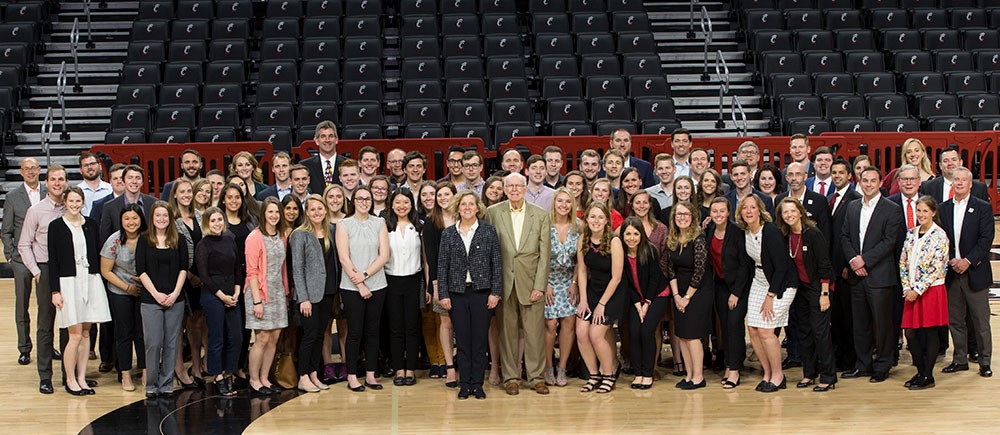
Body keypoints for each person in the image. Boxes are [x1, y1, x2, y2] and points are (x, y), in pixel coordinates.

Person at [486, 172, 552, 396]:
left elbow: (545, 254)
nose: (514, 189)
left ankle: (536, 378)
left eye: (518, 186)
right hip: (503, 283)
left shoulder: (540, 215)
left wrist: (540, 286)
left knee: (534, 333)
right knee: (507, 333)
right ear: (504, 190)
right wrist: (494, 286)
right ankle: (511, 377)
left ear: (525, 189)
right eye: (510, 186)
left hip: (531, 282)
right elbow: (489, 251)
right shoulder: (493, 213)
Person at [437, 190, 503, 400]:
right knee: (463, 341)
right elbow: (442, 266)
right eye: (463, 204)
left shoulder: (488, 231)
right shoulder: (448, 233)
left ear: (477, 208)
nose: (467, 208)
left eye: (471, 204)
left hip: (482, 293)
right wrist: (443, 294)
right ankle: (465, 384)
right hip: (456, 293)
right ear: (458, 208)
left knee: (479, 341)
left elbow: (496, 263)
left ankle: (478, 384)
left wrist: (495, 292)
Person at [840, 167, 902, 383]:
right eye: (864, 180)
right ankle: (862, 365)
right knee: (860, 324)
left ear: (880, 183)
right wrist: (853, 260)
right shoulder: (853, 206)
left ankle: (883, 366)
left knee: (882, 325)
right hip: (857, 276)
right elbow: (844, 236)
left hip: (880, 275)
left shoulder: (892, 209)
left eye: (872, 181)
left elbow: (889, 241)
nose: (868, 184)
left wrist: (864, 260)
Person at [48, 186, 111, 395]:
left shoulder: (91, 224)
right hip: (68, 282)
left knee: (85, 333)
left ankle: (82, 378)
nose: (75, 205)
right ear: (65, 202)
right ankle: (70, 379)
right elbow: (53, 261)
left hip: (90, 280)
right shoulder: (56, 226)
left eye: (78, 201)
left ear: (83, 202)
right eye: (71, 201)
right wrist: (55, 291)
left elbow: (96, 253)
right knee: (74, 335)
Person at [775, 197, 836, 392]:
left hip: (819, 288)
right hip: (800, 290)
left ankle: (828, 376)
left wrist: (824, 293)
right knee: (804, 333)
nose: (789, 215)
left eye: (793, 211)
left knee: (820, 333)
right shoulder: (785, 235)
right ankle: (809, 373)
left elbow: (825, 265)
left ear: (800, 212)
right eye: (785, 212)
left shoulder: (813, 233)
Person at [17, 164, 68, 394]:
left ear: (66, 182)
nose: (57, 183)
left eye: (61, 179)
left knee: (68, 325)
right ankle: (45, 376)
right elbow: (24, 244)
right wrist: (36, 271)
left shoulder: (72, 207)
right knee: (46, 325)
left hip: (68, 271)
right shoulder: (36, 210)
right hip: (45, 270)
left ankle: (69, 374)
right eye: (53, 179)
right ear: (46, 183)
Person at [739, 194, 798, 393]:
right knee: (753, 329)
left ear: (760, 210)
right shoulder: (746, 231)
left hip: (781, 284)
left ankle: (778, 376)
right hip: (760, 280)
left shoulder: (770, 231)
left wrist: (770, 296)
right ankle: (767, 372)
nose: (748, 211)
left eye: (752, 207)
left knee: (766, 330)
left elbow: (781, 267)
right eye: (745, 207)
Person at [939, 168, 994, 378]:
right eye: (956, 180)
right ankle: (960, 359)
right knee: (955, 321)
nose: (960, 183)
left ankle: (985, 362)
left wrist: (968, 261)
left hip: (975, 273)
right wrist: (951, 260)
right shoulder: (943, 208)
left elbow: (986, 239)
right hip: (952, 273)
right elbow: (941, 239)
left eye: (964, 180)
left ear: (971, 184)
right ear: (952, 183)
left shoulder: (983, 208)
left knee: (980, 322)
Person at [335, 186, 391, 392]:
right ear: (353, 201)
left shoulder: (379, 223)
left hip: (377, 285)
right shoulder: (344, 225)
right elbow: (344, 258)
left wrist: (365, 275)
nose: (364, 202)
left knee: (373, 332)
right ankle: (352, 376)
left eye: (367, 199)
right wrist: (359, 284)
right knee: (355, 332)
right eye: (360, 198)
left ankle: (370, 374)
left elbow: (384, 255)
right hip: (351, 287)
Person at [136, 201, 189, 398]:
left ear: (170, 218)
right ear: (152, 218)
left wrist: (175, 293)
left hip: (175, 299)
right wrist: (156, 294)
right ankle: (151, 384)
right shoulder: (144, 240)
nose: (161, 219)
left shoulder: (179, 239)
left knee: (171, 343)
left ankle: (166, 384)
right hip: (151, 300)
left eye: (165, 215)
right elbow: (141, 270)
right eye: (157, 215)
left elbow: (184, 268)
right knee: (153, 343)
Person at [899, 196, 950, 390]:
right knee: (910, 333)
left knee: (930, 332)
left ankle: (928, 375)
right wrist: (906, 287)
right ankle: (920, 371)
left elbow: (937, 266)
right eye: (918, 210)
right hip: (911, 290)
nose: (921, 214)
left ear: (933, 213)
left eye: (925, 211)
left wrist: (918, 289)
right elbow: (903, 261)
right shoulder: (911, 233)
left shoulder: (940, 235)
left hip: (931, 290)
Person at [575, 203, 625, 394]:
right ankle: (594, 374)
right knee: (581, 332)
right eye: (592, 217)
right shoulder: (583, 239)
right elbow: (582, 270)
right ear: (586, 219)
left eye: (600, 217)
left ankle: (609, 374)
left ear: (606, 221)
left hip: (613, 292)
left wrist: (602, 304)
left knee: (596, 334)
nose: (596, 221)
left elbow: (617, 277)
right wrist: (583, 300)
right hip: (592, 290)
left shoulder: (614, 241)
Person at [290, 195, 338, 392]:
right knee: (309, 335)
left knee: (320, 335)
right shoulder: (300, 234)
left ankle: (313, 374)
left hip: (328, 291)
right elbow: (297, 269)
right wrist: (303, 298)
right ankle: (302, 376)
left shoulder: (331, 230)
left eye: (320, 208)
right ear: (307, 213)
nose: (317, 212)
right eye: (312, 209)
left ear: (325, 210)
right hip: (309, 295)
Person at [664, 201, 712, 390]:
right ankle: (689, 374)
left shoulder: (698, 238)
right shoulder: (673, 238)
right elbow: (671, 269)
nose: (682, 217)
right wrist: (676, 296)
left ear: (692, 217)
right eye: (678, 214)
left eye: (685, 214)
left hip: (698, 291)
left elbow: (700, 270)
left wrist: (687, 297)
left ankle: (698, 377)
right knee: (682, 335)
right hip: (680, 291)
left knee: (692, 336)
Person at [244, 197, 290, 396]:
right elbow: (252, 272)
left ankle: (265, 378)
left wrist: (285, 292)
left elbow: (282, 267)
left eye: (277, 212)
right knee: (262, 337)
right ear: (263, 214)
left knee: (274, 338)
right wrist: (257, 301)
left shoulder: (281, 235)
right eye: (270, 212)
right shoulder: (254, 237)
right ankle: (254, 380)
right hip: (259, 293)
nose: (274, 215)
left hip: (278, 292)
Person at [195, 206, 243, 397]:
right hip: (213, 295)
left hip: (232, 293)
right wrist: (222, 296)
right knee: (217, 337)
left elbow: (238, 268)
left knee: (237, 337)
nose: (217, 223)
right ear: (207, 223)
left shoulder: (229, 240)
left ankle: (229, 372)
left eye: (219, 219)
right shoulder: (203, 245)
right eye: (213, 220)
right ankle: (218, 376)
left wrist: (237, 291)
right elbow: (204, 276)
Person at [2, 157, 45, 366]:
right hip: (21, 260)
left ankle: (47, 346)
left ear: (39, 170)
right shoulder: (12, 197)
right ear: (21, 172)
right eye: (26, 169)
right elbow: (6, 230)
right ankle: (24, 348)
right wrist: (10, 255)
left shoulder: (49, 192)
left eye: (33, 168)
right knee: (22, 305)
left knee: (47, 306)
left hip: (44, 258)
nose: (30, 172)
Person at [100, 204, 147, 392]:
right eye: (127, 218)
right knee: (124, 333)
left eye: (135, 218)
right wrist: (128, 287)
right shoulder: (114, 241)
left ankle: (145, 371)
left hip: (145, 291)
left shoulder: (148, 238)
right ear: (121, 221)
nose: (131, 222)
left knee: (143, 333)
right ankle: (125, 373)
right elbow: (106, 271)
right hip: (120, 291)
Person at [620, 217, 670, 389]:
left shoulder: (650, 251)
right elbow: (626, 282)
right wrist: (637, 304)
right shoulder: (621, 254)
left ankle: (648, 373)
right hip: (636, 298)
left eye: (635, 234)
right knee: (634, 331)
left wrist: (646, 303)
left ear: (641, 235)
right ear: (622, 235)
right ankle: (638, 373)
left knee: (647, 330)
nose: (631, 238)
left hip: (656, 294)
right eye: (628, 234)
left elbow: (654, 279)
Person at [705, 197, 749, 389]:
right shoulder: (710, 230)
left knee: (734, 325)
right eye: (714, 211)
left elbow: (745, 265)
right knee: (724, 326)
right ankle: (730, 364)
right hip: (720, 285)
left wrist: (736, 293)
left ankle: (735, 369)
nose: (718, 215)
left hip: (738, 286)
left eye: (722, 211)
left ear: (729, 212)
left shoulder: (737, 232)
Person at [384, 189, 424, 386]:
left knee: (412, 327)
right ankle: (399, 368)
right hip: (391, 280)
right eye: (398, 202)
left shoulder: (419, 226)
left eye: (406, 202)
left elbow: (425, 258)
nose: (402, 206)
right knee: (395, 327)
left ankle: (411, 369)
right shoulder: (384, 226)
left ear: (412, 204)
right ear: (391, 205)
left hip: (413, 280)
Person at [422, 182, 461, 386]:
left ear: (455, 195)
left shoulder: (464, 218)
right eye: (440, 195)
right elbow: (431, 257)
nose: (443, 198)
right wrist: (435, 286)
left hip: (464, 281)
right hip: (442, 281)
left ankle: (462, 362)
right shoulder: (431, 222)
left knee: (463, 325)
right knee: (446, 324)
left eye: (447, 194)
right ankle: (449, 366)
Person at [167, 179, 204, 388]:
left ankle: (197, 367)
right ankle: (179, 369)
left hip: (202, 278)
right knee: (179, 325)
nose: (186, 195)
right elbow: (173, 252)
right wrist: (189, 275)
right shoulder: (170, 219)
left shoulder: (199, 215)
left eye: (189, 191)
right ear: (175, 194)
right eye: (182, 192)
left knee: (196, 325)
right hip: (182, 278)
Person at [544, 188, 579, 387]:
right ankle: (549, 366)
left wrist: (575, 282)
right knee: (550, 324)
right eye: (560, 201)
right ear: (554, 203)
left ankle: (562, 367)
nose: (563, 205)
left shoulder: (579, 226)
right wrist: (545, 283)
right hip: (548, 280)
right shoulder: (544, 225)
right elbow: (538, 256)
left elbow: (581, 260)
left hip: (569, 281)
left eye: (567, 201)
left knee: (568, 323)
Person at [828, 158, 861, 371]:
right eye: (834, 172)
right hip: (832, 268)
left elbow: (853, 236)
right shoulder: (830, 199)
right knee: (836, 317)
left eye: (841, 172)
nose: (837, 176)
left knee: (849, 317)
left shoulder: (855, 199)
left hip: (846, 269)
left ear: (849, 175)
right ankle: (839, 356)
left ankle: (850, 359)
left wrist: (849, 264)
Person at [99, 164, 157, 243]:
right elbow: (105, 239)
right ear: (123, 181)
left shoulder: (154, 203)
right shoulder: (109, 207)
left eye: (138, 178)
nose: (134, 181)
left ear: (142, 182)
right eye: (130, 178)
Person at [920, 145, 991, 203]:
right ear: (940, 165)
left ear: (961, 163)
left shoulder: (979, 188)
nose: (950, 163)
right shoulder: (928, 187)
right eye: (945, 161)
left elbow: (985, 214)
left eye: (954, 160)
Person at [301, 120, 348, 196]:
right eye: (323, 136)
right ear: (316, 141)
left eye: (331, 136)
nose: (327, 140)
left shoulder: (347, 164)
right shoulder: (305, 165)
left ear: (336, 140)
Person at [77, 152, 112, 218]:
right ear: (81, 170)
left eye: (92, 164)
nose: (89, 167)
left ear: (100, 166)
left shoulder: (111, 189)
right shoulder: (76, 192)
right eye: (86, 165)